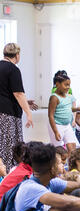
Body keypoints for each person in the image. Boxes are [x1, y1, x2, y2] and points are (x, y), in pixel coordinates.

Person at [0, 43, 34, 172]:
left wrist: (26, 102)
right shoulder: (13, 69)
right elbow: (18, 94)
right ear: (17, 55)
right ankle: (9, 173)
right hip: (8, 114)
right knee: (10, 146)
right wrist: (28, 113)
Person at [48, 74, 80, 154]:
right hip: (57, 125)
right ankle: (57, 165)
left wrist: (77, 109)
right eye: (66, 85)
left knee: (72, 149)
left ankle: (72, 166)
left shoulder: (68, 96)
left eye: (69, 85)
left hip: (67, 125)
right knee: (59, 151)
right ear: (57, 84)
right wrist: (55, 131)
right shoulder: (54, 97)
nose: (68, 87)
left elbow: (67, 109)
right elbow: (50, 115)